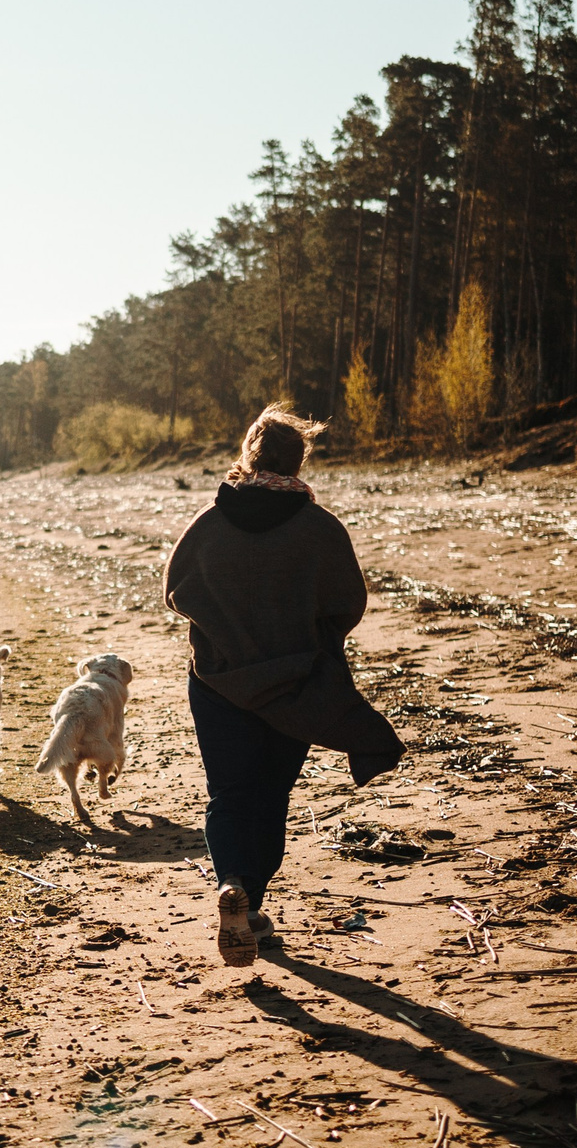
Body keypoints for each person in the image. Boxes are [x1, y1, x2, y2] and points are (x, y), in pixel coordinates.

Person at [164, 405, 402, 968]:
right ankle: (251, 906)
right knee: (270, 797)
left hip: (219, 683)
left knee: (229, 794)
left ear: (248, 456)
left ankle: (232, 886)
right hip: (295, 686)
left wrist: (225, 632)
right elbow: (348, 606)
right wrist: (303, 637)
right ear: (299, 461)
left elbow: (177, 593)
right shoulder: (320, 528)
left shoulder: (209, 523)